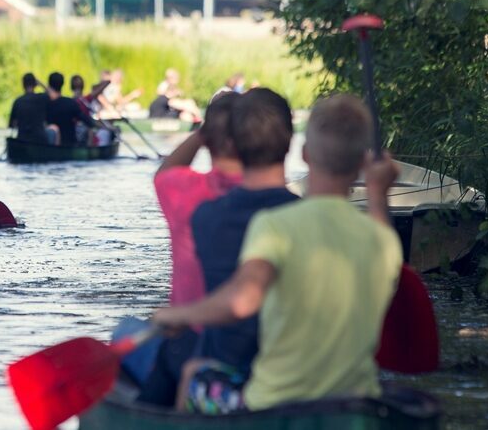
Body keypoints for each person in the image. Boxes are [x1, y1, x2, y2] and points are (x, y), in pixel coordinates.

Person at [154, 94, 403, 414]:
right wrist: (376, 193)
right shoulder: (383, 239)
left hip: (274, 406)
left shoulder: (274, 225)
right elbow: (381, 231)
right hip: (354, 402)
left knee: (193, 373)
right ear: (362, 164)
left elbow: (242, 301)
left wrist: (177, 315)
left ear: (305, 154)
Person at [138, 88, 297, 407]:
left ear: (209, 139)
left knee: (131, 332)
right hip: (268, 349)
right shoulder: (286, 207)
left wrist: (200, 134)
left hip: (194, 342)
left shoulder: (189, 197)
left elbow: (163, 173)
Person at [44, 71, 97, 146]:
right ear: (62, 84)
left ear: (49, 84)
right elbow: (88, 122)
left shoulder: (45, 104)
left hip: (50, 146)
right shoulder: (71, 103)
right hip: (69, 144)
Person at [8, 72, 56, 145]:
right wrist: (41, 84)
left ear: (23, 85)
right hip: (39, 140)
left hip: (22, 140)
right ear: (35, 85)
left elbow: (12, 125)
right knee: (52, 131)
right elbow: (53, 96)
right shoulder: (42, 98)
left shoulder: (18, 101)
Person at [70, 74, 112, 145]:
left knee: (92, 130)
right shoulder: (86, 99)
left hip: (84, 129)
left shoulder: (85, 99)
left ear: (71, 87)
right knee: (94, 131)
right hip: (82, 130)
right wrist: (95, 86)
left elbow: (108, 82)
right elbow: (107, 82)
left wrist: (94, 87)